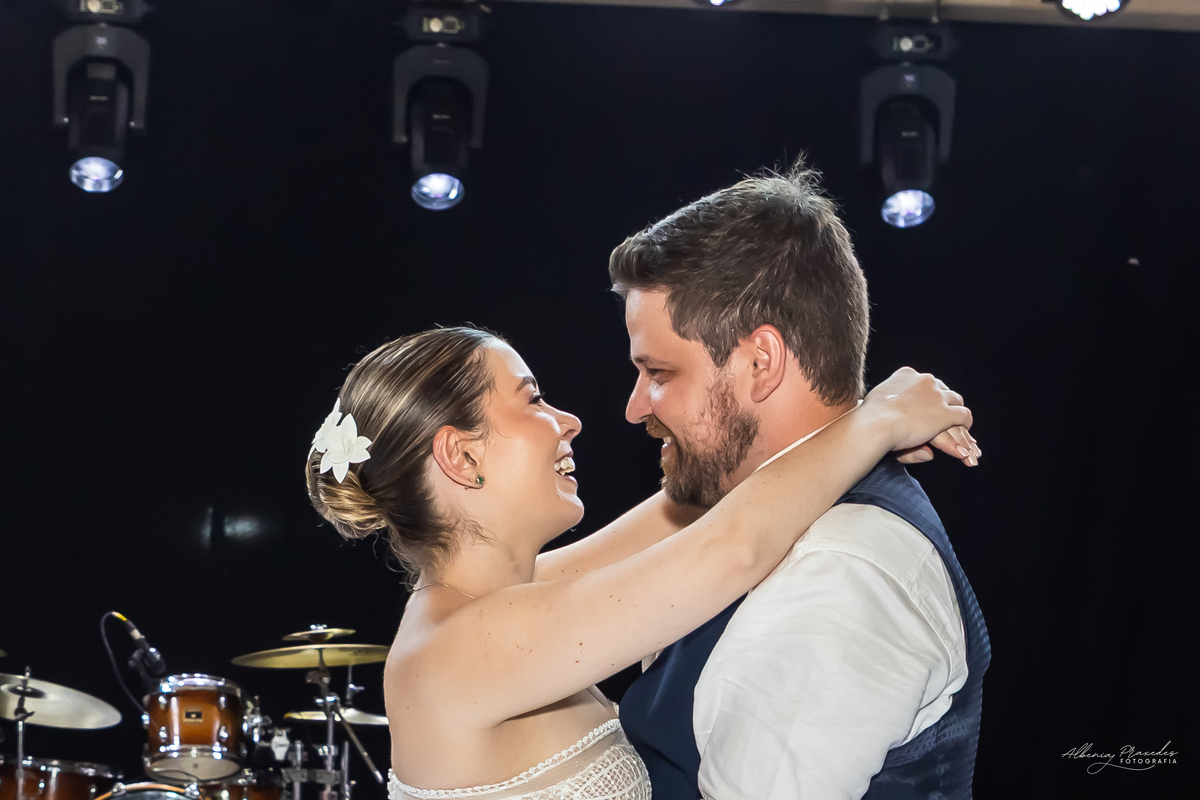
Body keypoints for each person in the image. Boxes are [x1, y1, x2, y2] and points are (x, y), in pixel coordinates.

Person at [304, 324, 977, 800]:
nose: (568, 420)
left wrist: (843, 420)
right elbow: (731, 546)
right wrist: (878, 421)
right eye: (532, 399)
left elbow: (691, 504)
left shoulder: (490, 603)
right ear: (463, 456)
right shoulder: (461, 649)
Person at [609, 164, 990, 800]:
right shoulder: (752, 509)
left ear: (761, 362)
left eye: (660, 373)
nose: (634, 408)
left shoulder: (839, 570)